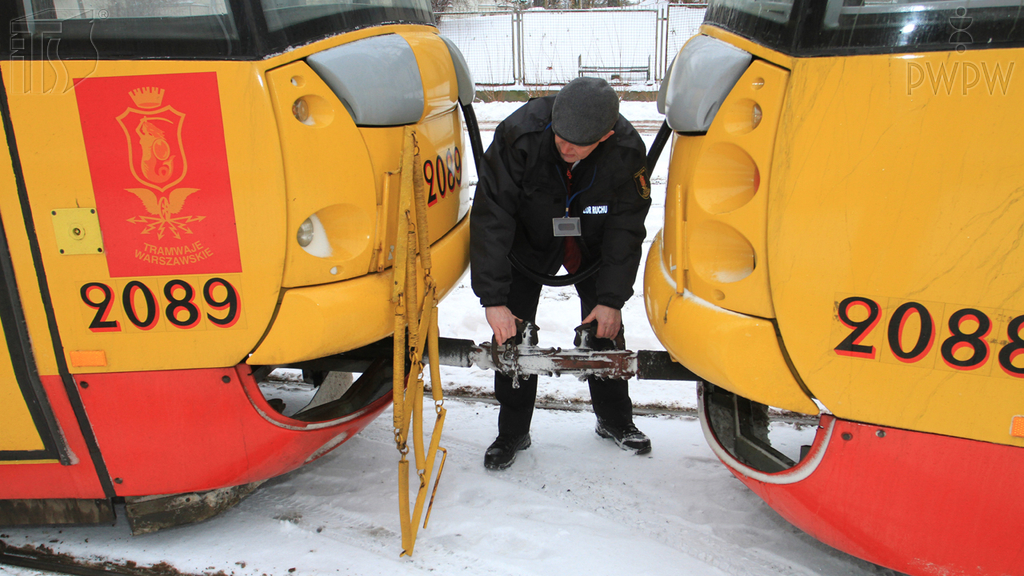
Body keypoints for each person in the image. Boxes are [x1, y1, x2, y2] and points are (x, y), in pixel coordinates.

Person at [470, 77, 653, 470]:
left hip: (594, 242)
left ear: (605, 136)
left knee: (605, 327)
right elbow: (491, 216)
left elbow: (626, 229)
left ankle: (614, 419)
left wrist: (611, 300)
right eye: (560, 137)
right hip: (527, 239)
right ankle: (513, 429)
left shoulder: (625, 151)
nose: (565, 148)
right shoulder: (519, 135)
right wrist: (494, 299)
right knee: (512, 333)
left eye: (578, 144)